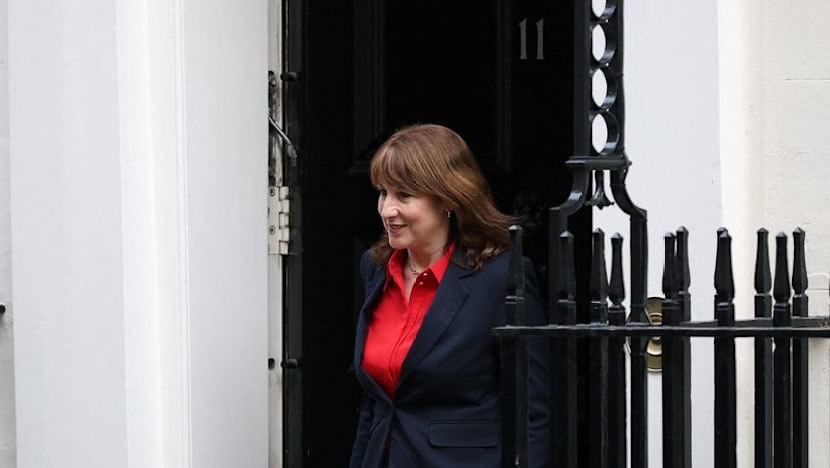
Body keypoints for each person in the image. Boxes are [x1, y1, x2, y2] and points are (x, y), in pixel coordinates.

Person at [350, 124, 550, 468]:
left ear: (447, 199)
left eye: (404, 195)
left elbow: (534, 411)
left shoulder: (500, 277)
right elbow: (375, 403)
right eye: (383, 193)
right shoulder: (376, 268)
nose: (387, 210)